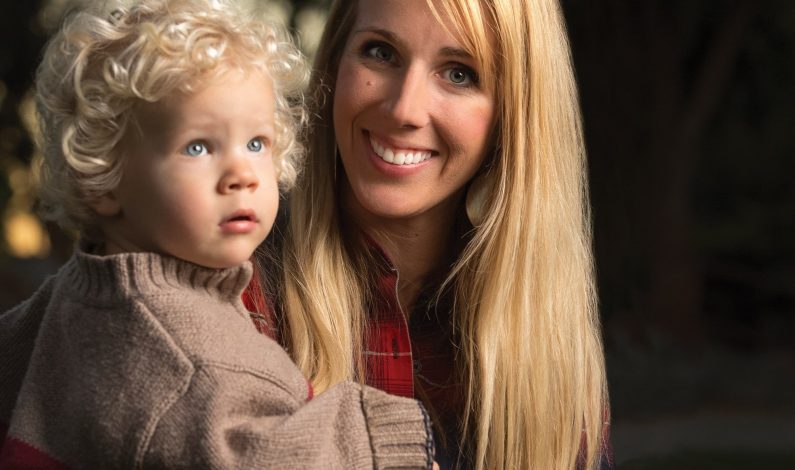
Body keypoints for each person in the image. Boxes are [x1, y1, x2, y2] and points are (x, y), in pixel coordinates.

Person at [0, 1, 436, 468]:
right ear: (105, 178)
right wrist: (386, 441)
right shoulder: (187, 354)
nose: (241, 175)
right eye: (198, 146)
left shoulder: (77, 297)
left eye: (255, 144)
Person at [257, 0, 613, 468]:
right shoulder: (233, 286)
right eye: (380, 52)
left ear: (513, 118)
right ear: (333, 65)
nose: (405, 109)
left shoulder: (547, 346)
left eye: (459, 74)